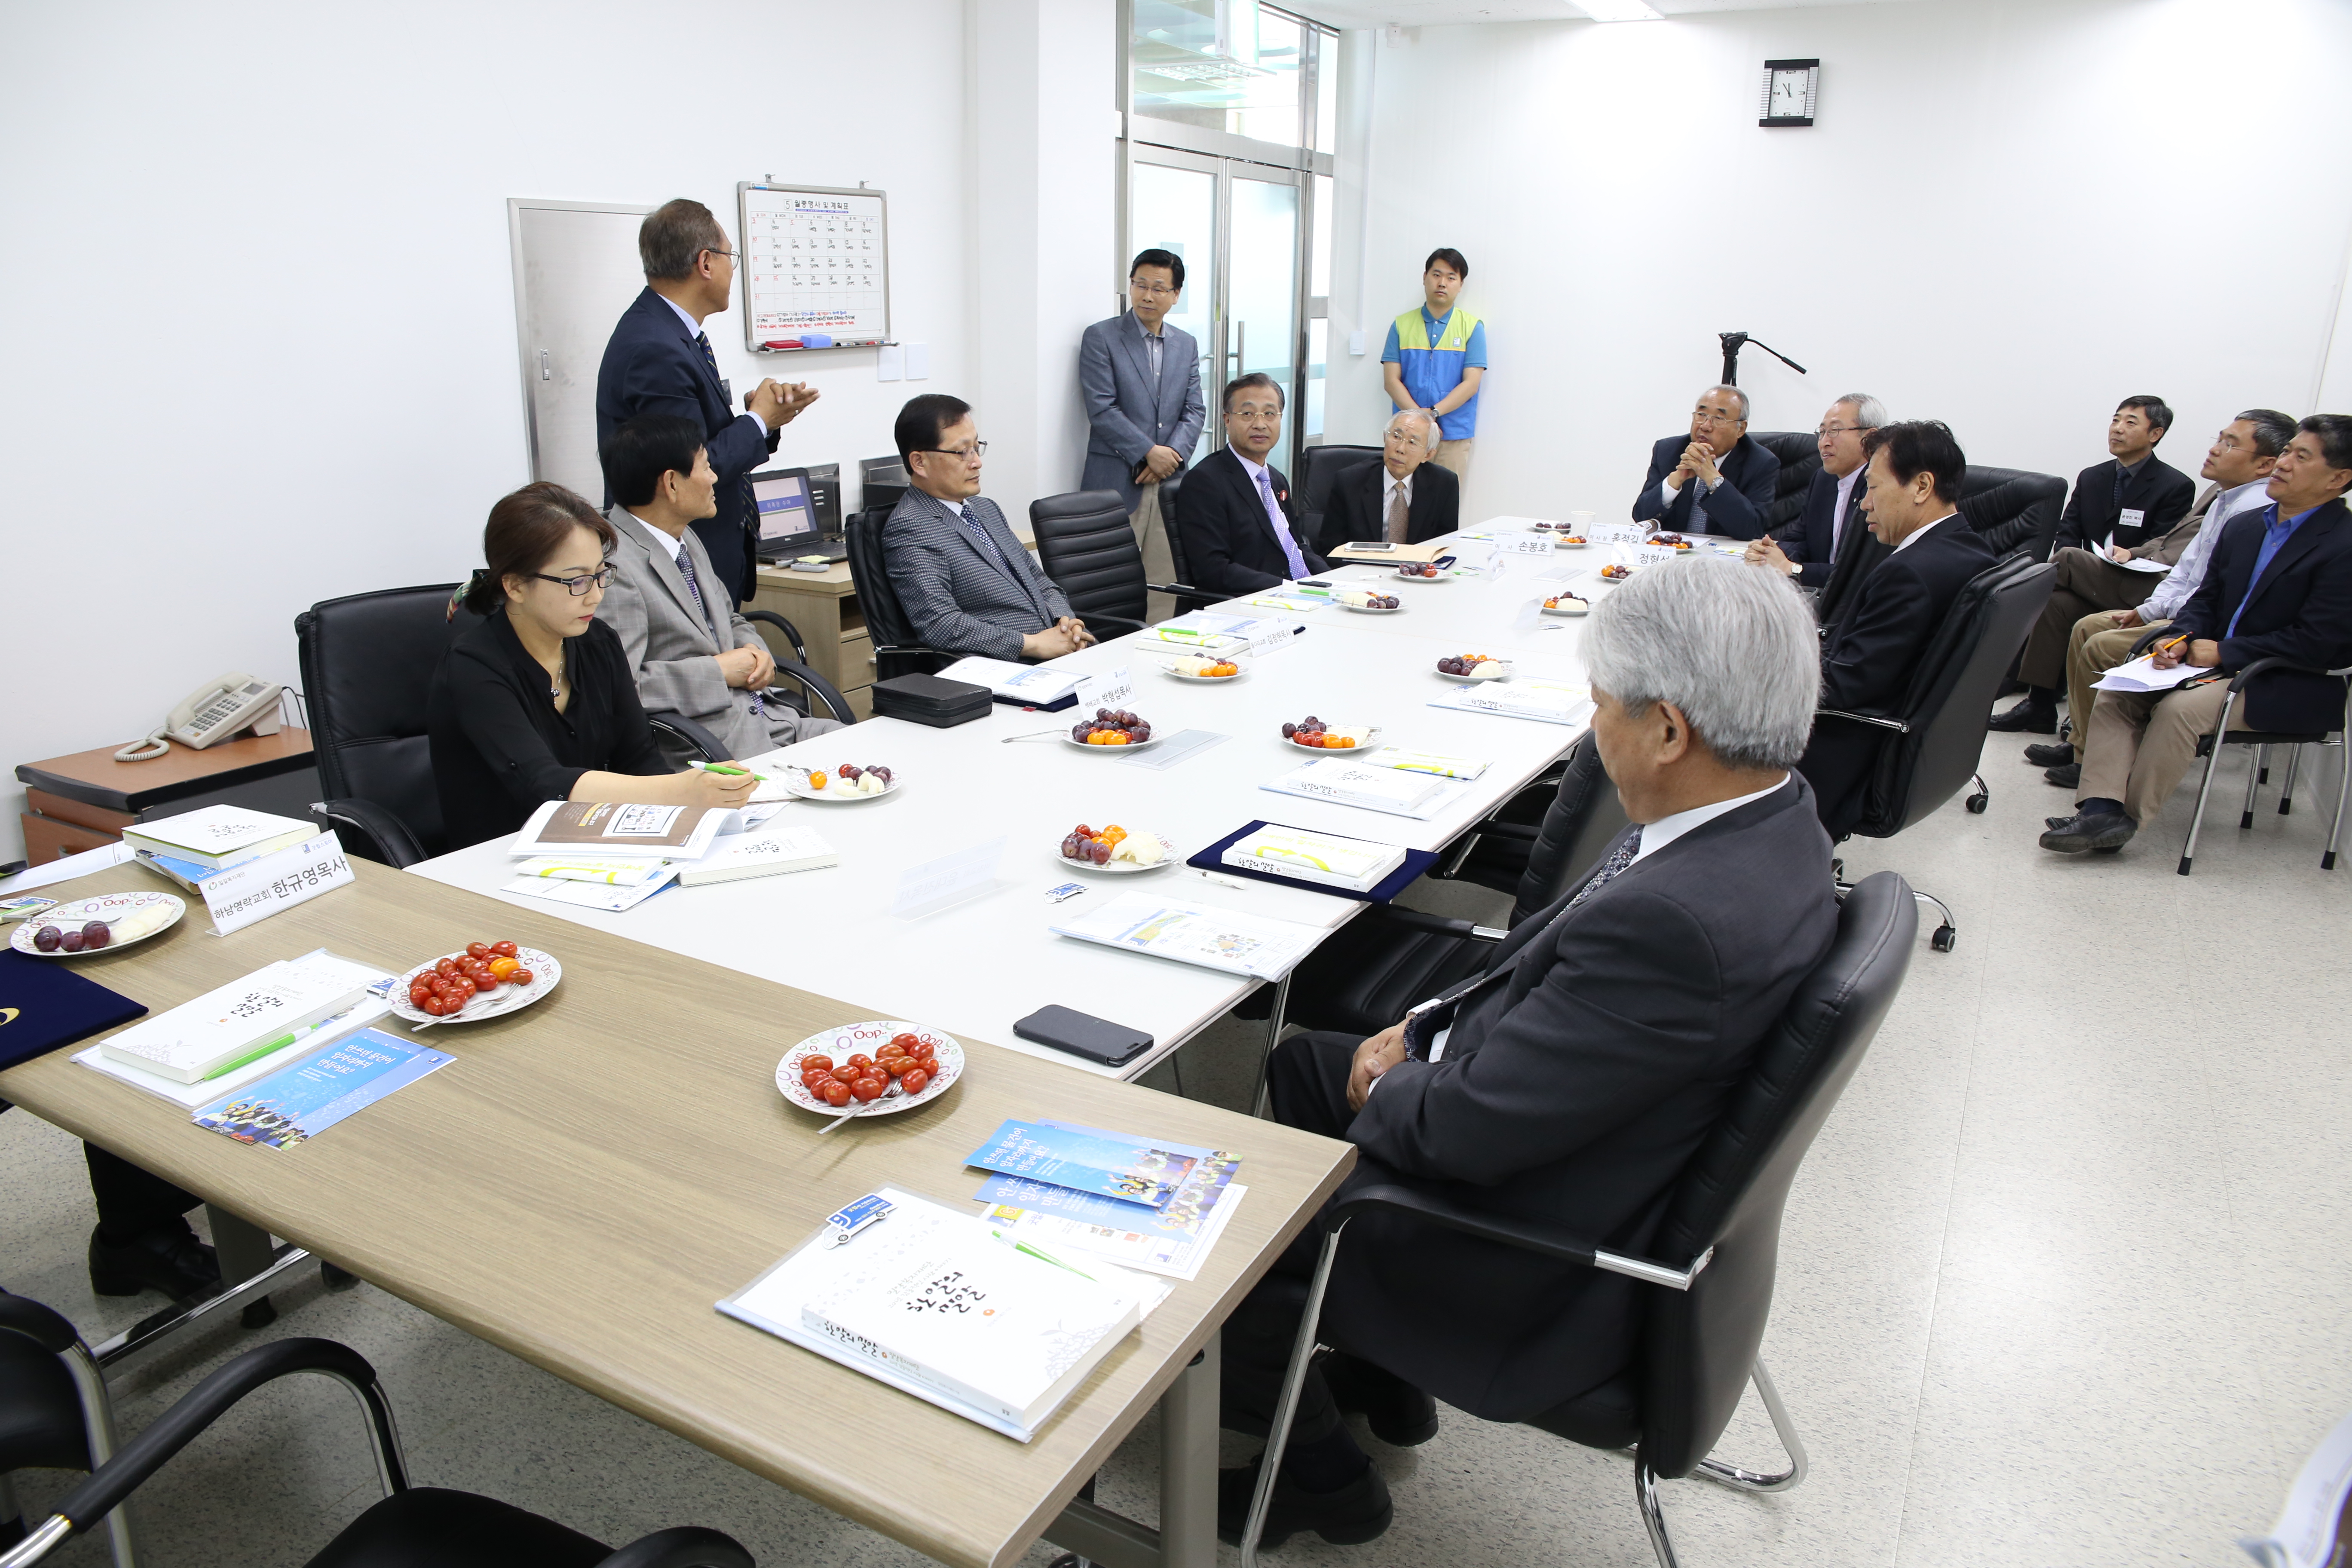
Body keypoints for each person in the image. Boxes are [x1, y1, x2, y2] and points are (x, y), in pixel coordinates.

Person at [1213, 555, 1836, 1550]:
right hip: (1593, 1152)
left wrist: (1401, 1079)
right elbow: (1548, 974)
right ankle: (1384, 1381)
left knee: (1222, 1230)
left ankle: (1325, 1480)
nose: (1594, 730)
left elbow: (1467, 1134)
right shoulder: (1772, 816)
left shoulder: (1680, 924)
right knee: (1300, 1066)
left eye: (1601, 709)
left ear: (1668, 729)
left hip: (1531, 1255)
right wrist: (1420, 1030)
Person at [2040, 415, 2352, 855]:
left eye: (2302, 457)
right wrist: (2179, 639)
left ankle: (2123, 817)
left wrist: (2226, 651)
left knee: (2179, 711)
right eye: (2286, 452)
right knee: (2119, 687)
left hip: (2283, 679)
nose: (2283, 463)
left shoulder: (2342, 545)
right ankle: (2100, 809)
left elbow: (2322, 642)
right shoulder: (2246, 527)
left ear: (2338, 478)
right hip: (2214, 662)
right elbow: (2204, 600)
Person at [429, 483, 756, 850]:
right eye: (577, 581)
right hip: (495, 859)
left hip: (592, 843)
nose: (597, 595)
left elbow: (639, 758)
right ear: (516, 586)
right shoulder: (474, 666)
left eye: (602, 574)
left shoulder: (597, 641)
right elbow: (543, 784)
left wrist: (695, 811)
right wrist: (681, 790)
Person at [2011, 410, 2294, 776]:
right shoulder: (2219, 494)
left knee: (2071, 580)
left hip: (2173, 602)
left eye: (2229, 443)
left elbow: (2208, 587)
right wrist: (2144, 589)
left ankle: (2085, 749)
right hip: (2159, 589)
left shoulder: (2239, 505)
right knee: (2063, 605)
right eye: (2116, 419)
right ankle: (2057, 722)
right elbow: (2186, 563)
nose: (2215, 449)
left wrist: (2154, 607)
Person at [596, 198, 820, 607]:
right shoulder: (656, 347)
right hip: (677, 566)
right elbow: (687, 470)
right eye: (730, 256)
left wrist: (761, 417)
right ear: (706, 263)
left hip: (703, 556)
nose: (733, 270)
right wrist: (757, 421)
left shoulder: (672, 334)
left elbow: (696, 437)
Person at [597, 414, 843, 764]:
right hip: (713, 749)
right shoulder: (614, 566)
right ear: (672, 484)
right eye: (706, 467)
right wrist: (718, 671)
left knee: (874, 749)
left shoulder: (683, 536)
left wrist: (756, 652)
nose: (715, 478)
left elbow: (728, 617)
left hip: (771, 720)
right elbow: (623, 687)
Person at [1796, 421, 1998, 838]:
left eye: (1872, 487)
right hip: (1920, 753)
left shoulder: (1910, 574)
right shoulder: (1972, 550)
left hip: (1842, 753)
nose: (1864, 504)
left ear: (1921, 486)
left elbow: (1844, 687)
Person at [881, 394, 1093, 661]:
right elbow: (941, 624)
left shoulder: (985, 509)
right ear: (919, 463)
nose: (976, 462)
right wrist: (1032, 644)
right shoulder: (911, 526)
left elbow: (1040, 582)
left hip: (1059, 650)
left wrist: (1066, 622)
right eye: (962, 453)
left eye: (976, 447)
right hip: (1008, 666)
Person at [1079, 248, 1207, 592]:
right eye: (1140, 285)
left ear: (1175, 295)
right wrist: (1149, 452)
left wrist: (1171, 456)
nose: (1147, 295)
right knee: (1105, 580)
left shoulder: (1186, 344)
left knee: (1165, 581)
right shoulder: (1101, 337)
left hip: (1169, 480)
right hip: (1117, 479)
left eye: (1159, 288)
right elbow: (1102, 408)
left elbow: (1195, 410)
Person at [1175, 374, 1327, 598]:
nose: (1260, 424)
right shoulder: (1205, 482)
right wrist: (1289, 589)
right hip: (1249, 605)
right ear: (1227, 420)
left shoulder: (1276, 479)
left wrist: (1334, 583)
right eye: (1247, 414)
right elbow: (1214, 570)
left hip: (1295, 598)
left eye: (1269, 414)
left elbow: (1294, 546)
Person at [1744, 394, 1888, 614]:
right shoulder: (1823, 479)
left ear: (1870, 438)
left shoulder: (1882, 490)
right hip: (1816, 597)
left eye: (1834, 431)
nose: (1824, 442)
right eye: (1821, 432)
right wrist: (1770, 553)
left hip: (1858, 607)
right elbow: (1801, 537)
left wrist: (1793, 568)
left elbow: (1862, 573)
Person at [1380, 248, 1485, 478]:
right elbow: (1391, 381)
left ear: (1461, 284)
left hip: (1453, 434)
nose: (1442, 283)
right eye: (1436, 275)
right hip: (1405, 435)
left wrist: (1433, 414)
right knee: (1399, 496)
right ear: (1425, 278)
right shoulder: (1401, 325)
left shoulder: (1473, 328)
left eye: (1451, 277)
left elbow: (1471, 385)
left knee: (1444, 501)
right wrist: (1420, 419)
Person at [1631, 385, 1781, 540]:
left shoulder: (1762, 463)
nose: (1705, 426)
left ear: (1741, 429)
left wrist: (1713, 479)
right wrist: (1674, 481)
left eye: (1719, 419)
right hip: (1675, 554)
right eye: (1701, 415)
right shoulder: (1669, 451)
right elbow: (1641, 517)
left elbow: (1751, 530)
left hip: (1724, 560)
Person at [1322, 409, 1459, 547]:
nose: (1400, 449)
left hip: (1415, 567)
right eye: (1396, 437)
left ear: (1428, 455)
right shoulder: (1349, 481)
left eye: (1412, 443)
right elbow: (1330, 547)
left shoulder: (1444, 484)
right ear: (1384, 438)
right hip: (1362, 566)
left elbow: (1443, 547)